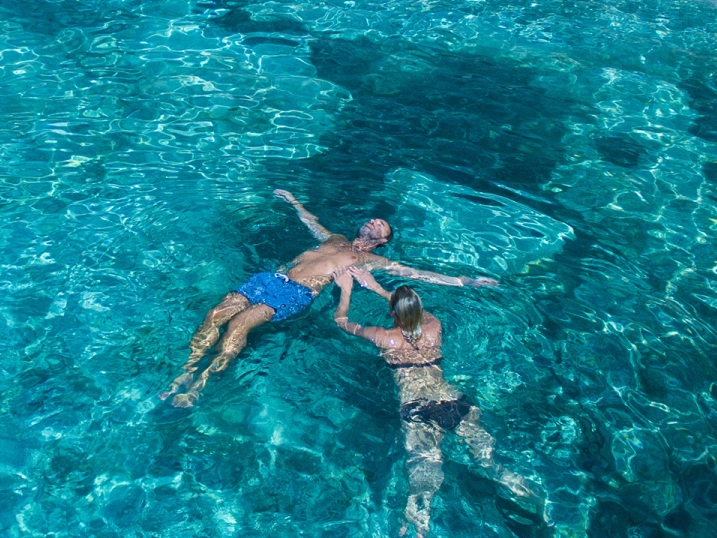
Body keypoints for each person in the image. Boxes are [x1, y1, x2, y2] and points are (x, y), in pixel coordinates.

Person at [161, 188, 496, 407]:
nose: (376, 221)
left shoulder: (372, 260)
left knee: (239, 326)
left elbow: (419, 274)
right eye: (376, 220)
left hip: (296, 292)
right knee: (215, 314)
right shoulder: (335, 238)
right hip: (269, 278)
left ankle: (200, 383)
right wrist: (292, 201)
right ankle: (186, 370)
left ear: (381, 242)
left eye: (382, 227)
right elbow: (313, 224)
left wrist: (466, 281)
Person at [333, 271, 537, 538]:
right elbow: (412, 311)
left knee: (425, 473)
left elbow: (341, 321)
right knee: (489, 461)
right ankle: (534, 499)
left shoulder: (383, 337)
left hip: (418, 410)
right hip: (454, 401)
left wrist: (346, 289)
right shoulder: (433, 325)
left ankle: (420, 517)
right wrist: (379, 289)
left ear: (392, 314)